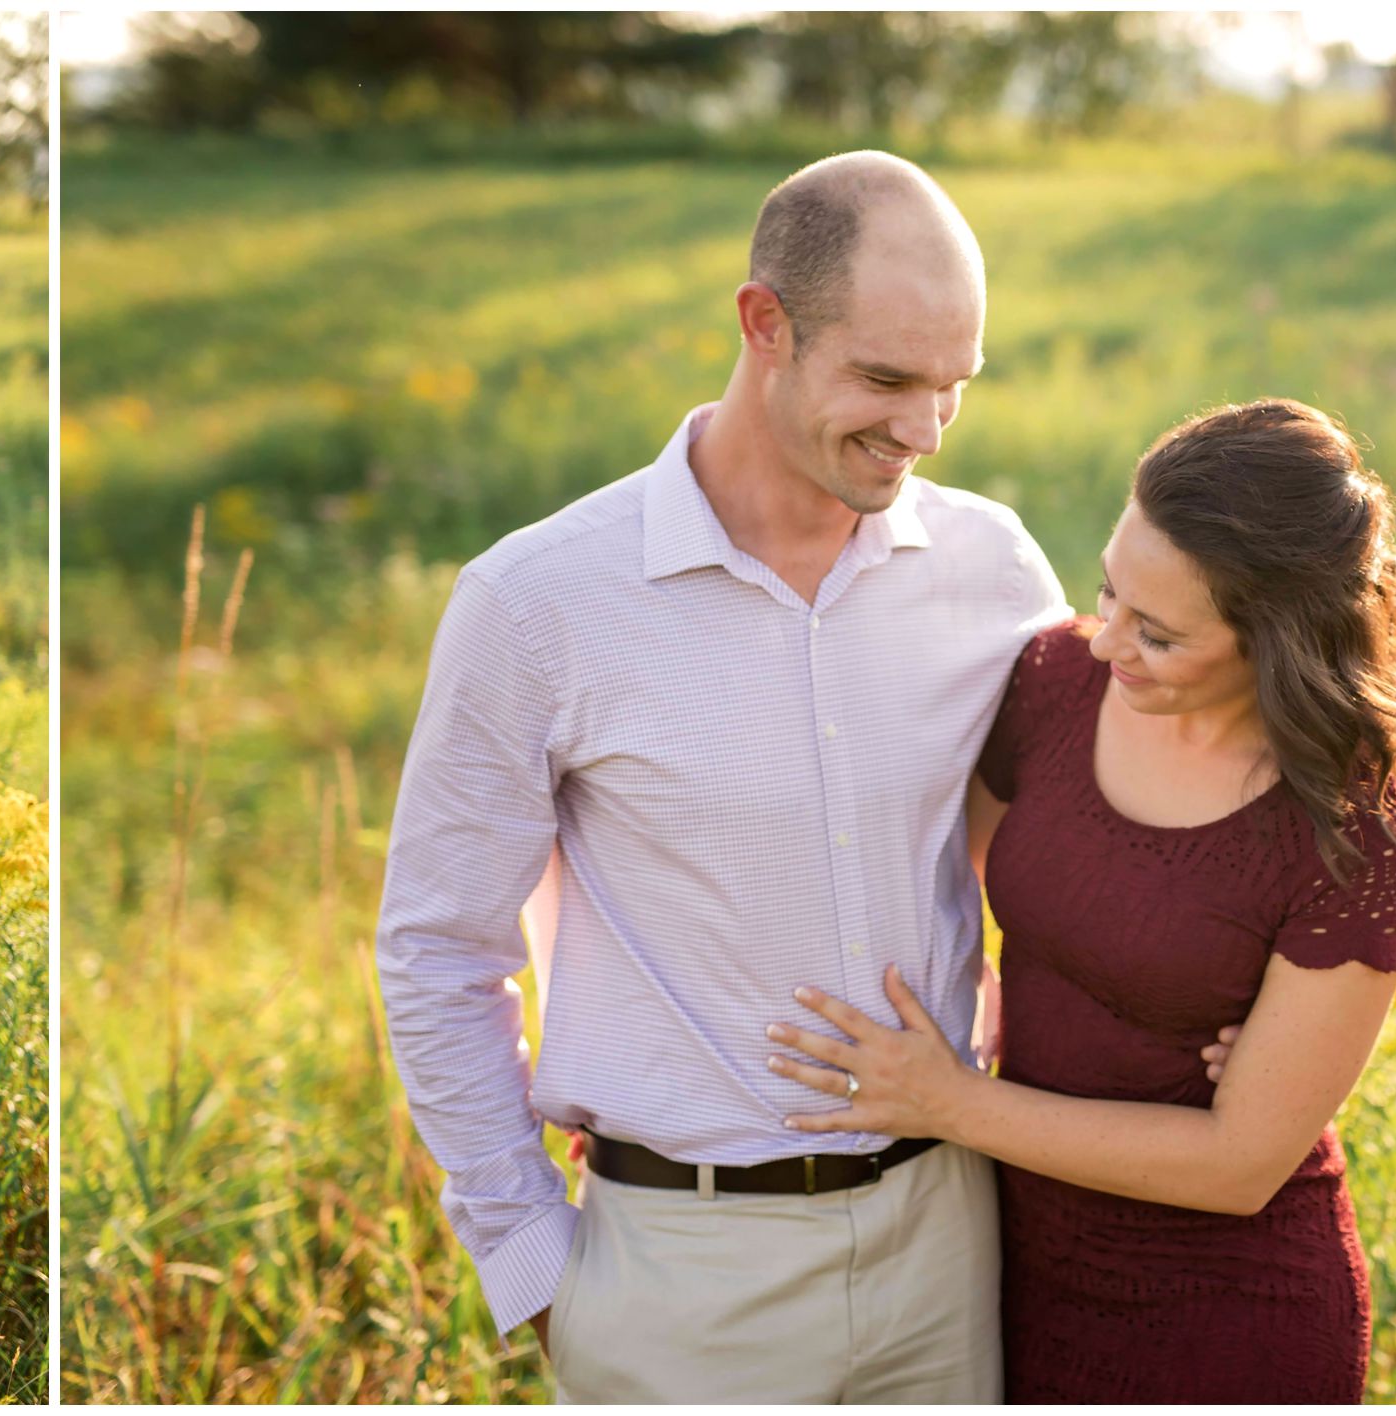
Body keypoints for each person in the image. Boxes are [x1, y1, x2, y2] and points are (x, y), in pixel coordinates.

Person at [373, 151, 1071, 1403]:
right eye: (883, 378)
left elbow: (1081, 836)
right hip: (679, 1278)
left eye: (952, 388)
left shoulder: (993, 569)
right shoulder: (537, 601)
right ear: (764, 324)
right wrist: (532, 1264)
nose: (920, 430)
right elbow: (437, 949)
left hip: (953, 1240)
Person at [761, 398, 1396, 1403]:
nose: (1103, 641)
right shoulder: (1051, 684)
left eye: (1158, 635)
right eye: (1106, 593)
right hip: (1006, 1269)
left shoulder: (1353, 835)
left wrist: (948, 1102)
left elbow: (1239, 1165)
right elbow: (919, 878)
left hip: (1229, 1315)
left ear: (1276, 645)